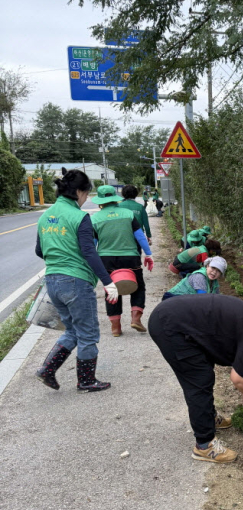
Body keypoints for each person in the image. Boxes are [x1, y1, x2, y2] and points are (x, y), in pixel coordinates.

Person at [148, 297, 243, 463]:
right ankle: (204, 446)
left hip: (178, 320)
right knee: (199, 381)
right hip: (171, 326)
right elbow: (239, 380)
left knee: (203, 374)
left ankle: (209, 419)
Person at [34, 168, 118, 392]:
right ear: (79, 191)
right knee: (88, 333)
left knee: (72, 330)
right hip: (75, 282)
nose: (86, 199)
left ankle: (46, 370)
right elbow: (89, 252)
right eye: (87, 194)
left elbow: (39, 251)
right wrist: (108, 282)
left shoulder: (45, 216)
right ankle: (87, 381)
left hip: (52, 281)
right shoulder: (79, 217)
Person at [90, 185, 153, 336]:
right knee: (138, 287)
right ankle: (136, 318)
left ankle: (116, 327)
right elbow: (140, 236)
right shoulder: (128, 214)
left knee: (111, 290)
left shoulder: (94, 219)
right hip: (130, 257)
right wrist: (148, 254)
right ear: (115, 198)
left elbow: (92, 243)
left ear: (100, 201)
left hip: (106, 260)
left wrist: (91, 263)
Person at [162, 256, 227, 301]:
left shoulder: (214, 283)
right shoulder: (199, 277)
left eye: (218, 271)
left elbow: (216, 299)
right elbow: (203, 300)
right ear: (207, 266)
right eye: (213, 268)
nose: (214, 272)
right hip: (172, 299)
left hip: (186, 301)